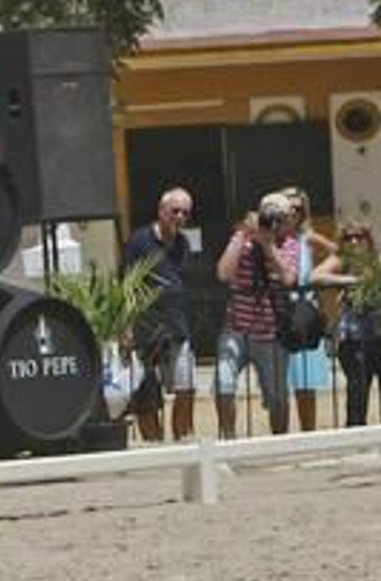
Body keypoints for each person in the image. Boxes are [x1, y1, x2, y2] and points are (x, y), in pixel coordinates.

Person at [214, 191, 300, 438]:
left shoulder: (290, 245)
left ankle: (279, 442)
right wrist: (243, 235)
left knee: (277, 397)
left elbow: (289, 278)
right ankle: (228, 441)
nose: (274, 224)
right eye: (269, 217)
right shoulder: (243, 240)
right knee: (224, 383)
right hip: (236, 328)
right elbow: (223, 273)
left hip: (270, 333)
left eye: (279, 218)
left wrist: (268, 245)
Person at [121, 186, 197, 441]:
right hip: (145, 329)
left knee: (186, 387)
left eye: (185, 213)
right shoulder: (139, 242)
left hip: (176, 328)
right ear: (161, 211)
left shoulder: (183, 244)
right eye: (175, 211)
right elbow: (126, 285)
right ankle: (155, 447)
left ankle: (182, 442)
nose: (180, 217)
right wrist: (127, 328)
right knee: (147, 395)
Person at [334, 222, 381, 459]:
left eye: (360, 237)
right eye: (349, 237)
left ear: (369, 239)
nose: (354, 242)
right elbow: (315, 275)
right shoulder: (341, 262)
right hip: (353, 338)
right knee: (357, 392)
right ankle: (357, 447)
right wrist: (349, 282)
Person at [280, 187, 339, 432]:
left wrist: (318, 274)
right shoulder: (273, 238)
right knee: (282, 381)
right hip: (281, 308)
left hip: (304, 308)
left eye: (298, 209)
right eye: (289, 208)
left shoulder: (308, 236)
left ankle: (309, 431)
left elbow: (339, 251)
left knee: (306, 380)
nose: (293, 213)